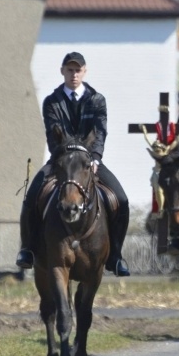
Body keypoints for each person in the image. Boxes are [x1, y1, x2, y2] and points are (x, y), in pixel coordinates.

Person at [16, 52, 130, 277]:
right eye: (69, 70)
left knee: (122, 200)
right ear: (62, 72)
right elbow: (53, 133)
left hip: (90, 162)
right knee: (31, 197)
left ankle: (115, 255)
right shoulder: (52, 101)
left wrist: (95, 157)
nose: (74, 74)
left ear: (84, 72)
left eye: (78, 70)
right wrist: (65, 156)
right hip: (61, 161)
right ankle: (27, 250)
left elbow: (100, 131)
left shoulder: (97, 100)